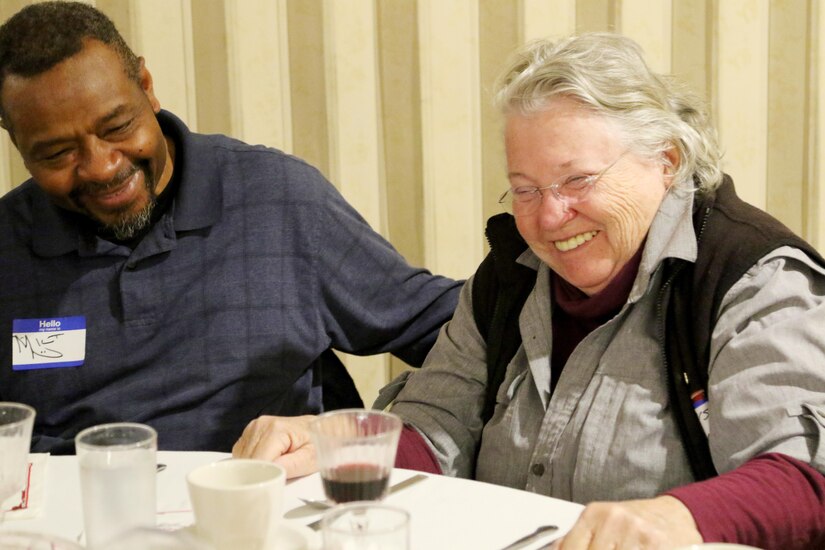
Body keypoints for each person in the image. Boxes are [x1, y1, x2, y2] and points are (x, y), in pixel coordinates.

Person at [233, 33, 825, 549]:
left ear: (665, 162)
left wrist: (677, 516)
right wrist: (339, 442)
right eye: (525, 189)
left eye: (578, 180)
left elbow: (805, 478)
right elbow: (438, 427)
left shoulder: (748, 276)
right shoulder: (510, 276)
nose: (550, 217)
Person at [0, 2, 461, 455]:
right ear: (14, 138)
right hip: (71, 517)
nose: (101, 167)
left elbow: (447, 327)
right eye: (58, 153)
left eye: (118, 126)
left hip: (267, 507)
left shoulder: (278, 200)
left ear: (146, 86)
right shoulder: (7, 246)